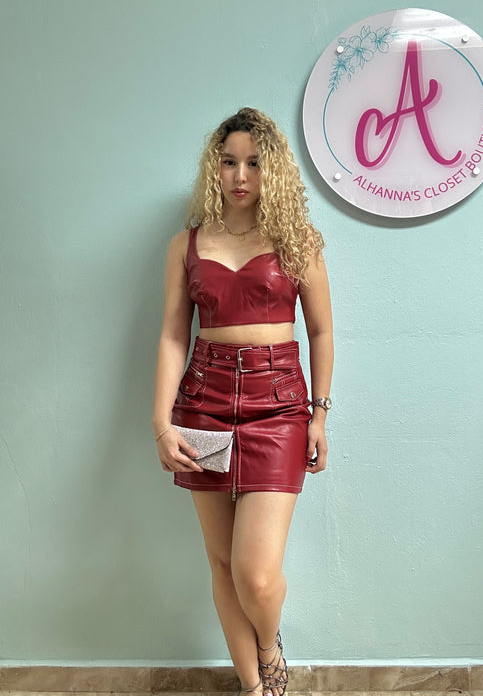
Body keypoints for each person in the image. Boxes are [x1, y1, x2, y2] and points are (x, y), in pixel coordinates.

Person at [152, 108, 333, 696]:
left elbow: (321, 331)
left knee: (255, 574)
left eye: (253, 163)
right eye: (229, 162)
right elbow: (173, 335)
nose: (240, 175)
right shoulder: (186, 244)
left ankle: (269, 643)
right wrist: (161, 422)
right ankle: (255, 687)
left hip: (278, 406)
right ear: (215, 168)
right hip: (202, 403)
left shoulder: (297, 240)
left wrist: (319, 414)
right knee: (223, 564)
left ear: (270, 170)